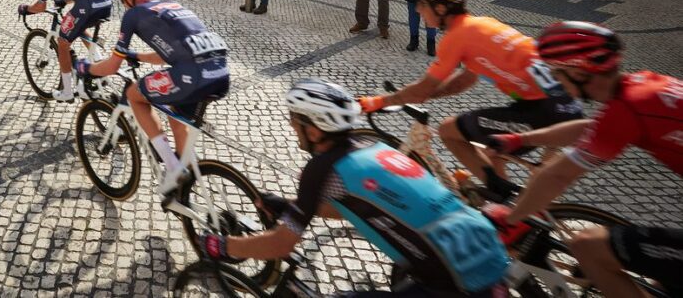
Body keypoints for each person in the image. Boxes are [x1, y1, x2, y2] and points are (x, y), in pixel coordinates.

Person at [197, 78, 509, 297]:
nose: (292, 128)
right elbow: (360, 207)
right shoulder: (374, 148)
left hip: (455, 281)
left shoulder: (322, 168)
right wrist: (292, 206)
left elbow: (280, 245)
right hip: (486, 253)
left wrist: (221, 246)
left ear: (314, 129)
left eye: (295, 121)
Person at [485, 21, 683, 298]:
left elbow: (558, 175)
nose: (558, 84)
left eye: (558, 75)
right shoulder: (640, 87)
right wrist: (521, 140)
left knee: (588, 245)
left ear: (578, 71)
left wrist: (513, 217)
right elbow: (592, 127)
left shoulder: (627, 109)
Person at [358, 0, 584, 194]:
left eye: (421, 5)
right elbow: (465, 80)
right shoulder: (482, 24)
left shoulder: (457, 36)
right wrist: (425, 95)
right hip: (563, 107)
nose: (418, 10)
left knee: (448, 130)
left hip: (542, 110)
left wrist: (380, 101)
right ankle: (505, 207)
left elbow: (422, 89)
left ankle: (504, 206)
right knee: (489, 153)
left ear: (440, 8)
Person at [79, 0, 229, 195]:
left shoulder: (134, 14)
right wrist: (137, 56)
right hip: (220, 74)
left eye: (123, 1)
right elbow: (165, 55)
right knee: (173, 107)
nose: (125, 5)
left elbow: (111, 67)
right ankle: (184, 170)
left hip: (192, 75)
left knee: (133, 94)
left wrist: (86, 68)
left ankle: (172, 167)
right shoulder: (171, 6)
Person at [18, 0, 113, 102]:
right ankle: (99, 66)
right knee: (80, 26)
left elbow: (41, 6)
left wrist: (26, 8)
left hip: (88, 5)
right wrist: (67, 0)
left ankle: (67, 91)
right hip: (106, 1)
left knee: (62, 42)